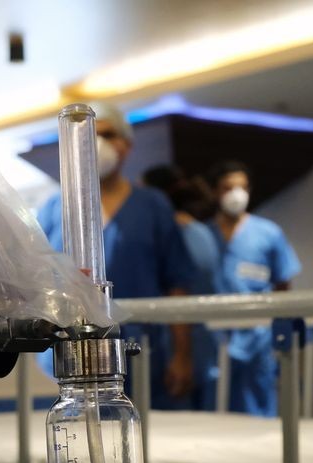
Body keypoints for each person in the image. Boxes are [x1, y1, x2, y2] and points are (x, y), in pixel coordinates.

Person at [36, 103, 197, 409]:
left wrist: (182, 354)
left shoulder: (152, 206)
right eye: (86, 133)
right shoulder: (53, 209)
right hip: (69, 356)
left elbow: (178, 282)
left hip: (141, 351)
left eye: (107, 134)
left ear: (126, 144)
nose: (95, 141)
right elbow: (40, 279)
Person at [205, 160, 301, 416]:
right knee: (214, 406)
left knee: (258, 404)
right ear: (215, 192)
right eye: (228, 188)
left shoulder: (267, 234)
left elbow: (283, 284)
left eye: (243, 187)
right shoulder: (202, 236)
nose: (237, 195)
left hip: (258, 338)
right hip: (214, 338)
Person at [142, 164, 220, 410]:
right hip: (204, 343)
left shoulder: (171, 235)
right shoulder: (202, 232)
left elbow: (177, 287)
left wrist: (181, 354)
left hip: (175, 344)